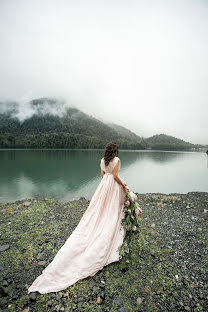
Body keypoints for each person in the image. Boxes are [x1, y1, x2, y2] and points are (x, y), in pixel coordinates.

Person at [28, 141, 130, 294]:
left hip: (103, 186)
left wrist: (106, 183)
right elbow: (115, 176)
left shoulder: (102, 160)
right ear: (115, 151)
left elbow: (103, 175)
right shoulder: (117, 160)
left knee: (98, 209)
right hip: (113, 186)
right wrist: (124, 184)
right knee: (111, 209)